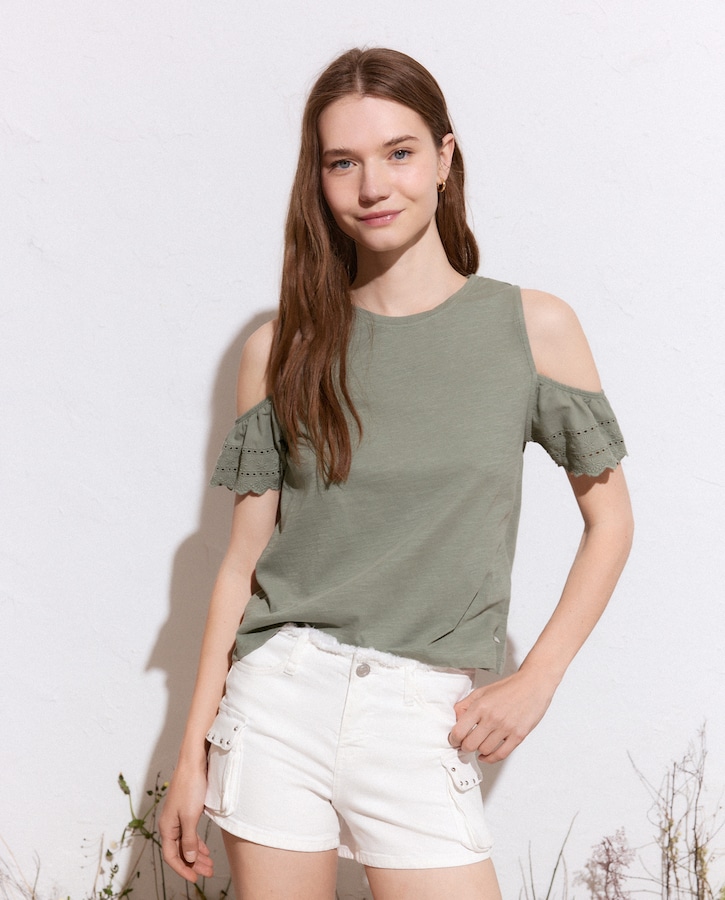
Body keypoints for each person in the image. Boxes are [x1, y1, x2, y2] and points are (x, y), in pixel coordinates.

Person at [159, 47, 633, 900]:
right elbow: (241, 563)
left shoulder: (532, 328)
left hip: (420, 715)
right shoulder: (281, 347)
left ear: (445, 159)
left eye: (399, 153)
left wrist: (538, 678)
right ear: (317, 178)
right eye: (343, 162)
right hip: (278, 702)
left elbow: (611, 522)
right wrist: (191, 755)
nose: (372, 185)